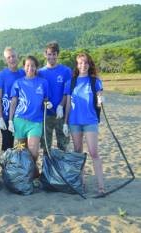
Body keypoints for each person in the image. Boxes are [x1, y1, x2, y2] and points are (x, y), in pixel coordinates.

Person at [64, 52, 105, 195]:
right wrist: (65, 122)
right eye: (80, 63)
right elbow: (68, 104)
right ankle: (80, 183)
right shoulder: (71, 82)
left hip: (90, 121)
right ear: (77, 65)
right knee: (78, 152)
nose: (83, 65)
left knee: (94, 152)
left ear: (89, 64)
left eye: (86, 62)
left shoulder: (95, 81)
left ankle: (101, 187)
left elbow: (99, 99)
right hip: (74, 122)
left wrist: (101, 100)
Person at [9, 56, 51, 178]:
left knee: (33, 151)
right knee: (20, 150)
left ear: (36, 67)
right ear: (24, 67)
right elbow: (13, 102)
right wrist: (10, 120)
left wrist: (48, 103)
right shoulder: (18, 82)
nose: (30, 68)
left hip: (36, 122)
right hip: (19, 120)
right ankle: (27, 176)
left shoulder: (43, 82)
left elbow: (46, 98)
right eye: (27, 65)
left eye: (33, 65)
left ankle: (33, 171)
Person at [38, 41, 71, 154]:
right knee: (46, 145)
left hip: (60, 114)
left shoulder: (66, 71)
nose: (51, 56)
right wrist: (45, 103)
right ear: (45, 54)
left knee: (63, 145)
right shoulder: (40, 72)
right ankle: (47, 170)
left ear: (58, 55)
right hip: (45, 114)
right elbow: (38, 93)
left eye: (54, 54)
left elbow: (67, 92)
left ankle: (62, 170)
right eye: (49, 54)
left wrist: (61, 106)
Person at [0, 47, 25, 151]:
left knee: (22, 146)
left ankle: (22, 166)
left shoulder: (24, 73)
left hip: (22, 116)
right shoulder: (1, 75)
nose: (12, 59)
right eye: (9, 57)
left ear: (18, 57)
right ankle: (6, 167)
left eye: (13, 56)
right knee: (8, 146)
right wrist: (0, 118)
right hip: (6, 117)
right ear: (5, 60)